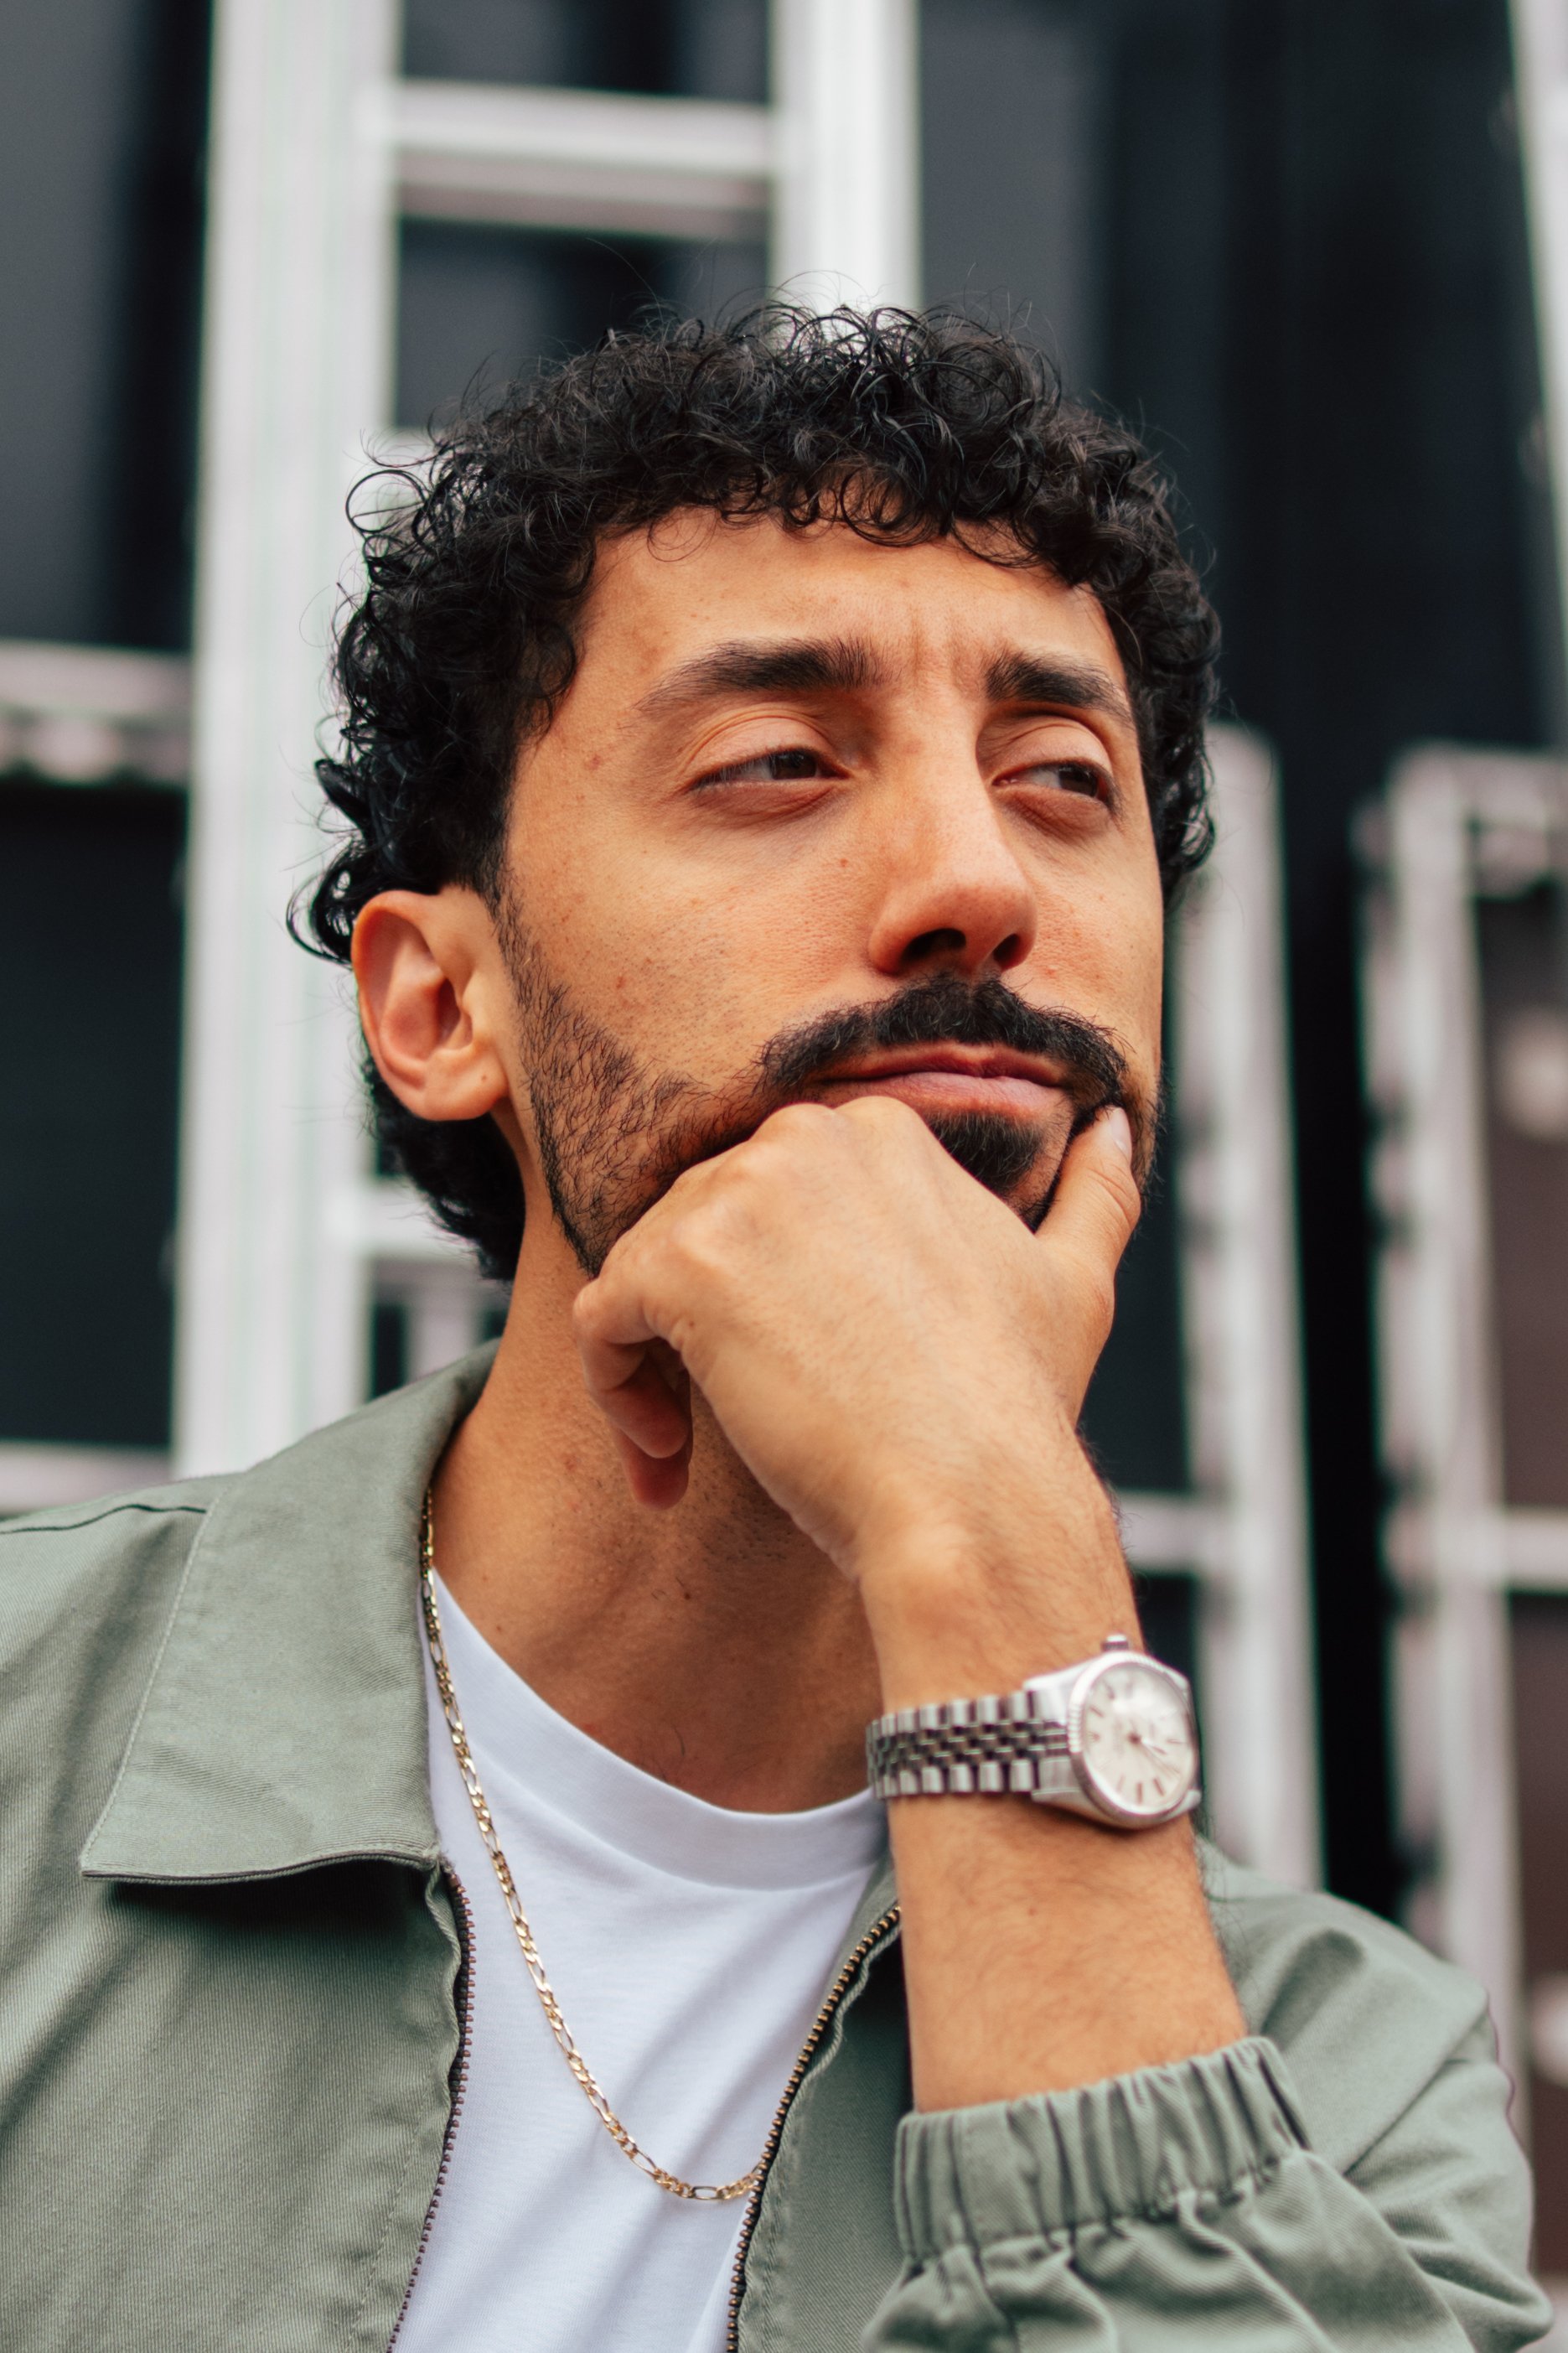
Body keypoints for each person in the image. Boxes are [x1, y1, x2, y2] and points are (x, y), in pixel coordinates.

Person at [1, 310, 1548, 2353]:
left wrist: (989, 1552)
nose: (976, 880)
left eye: (1062, 782)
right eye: (779, 766)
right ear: (440, 1007)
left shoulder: (1347, 2081)